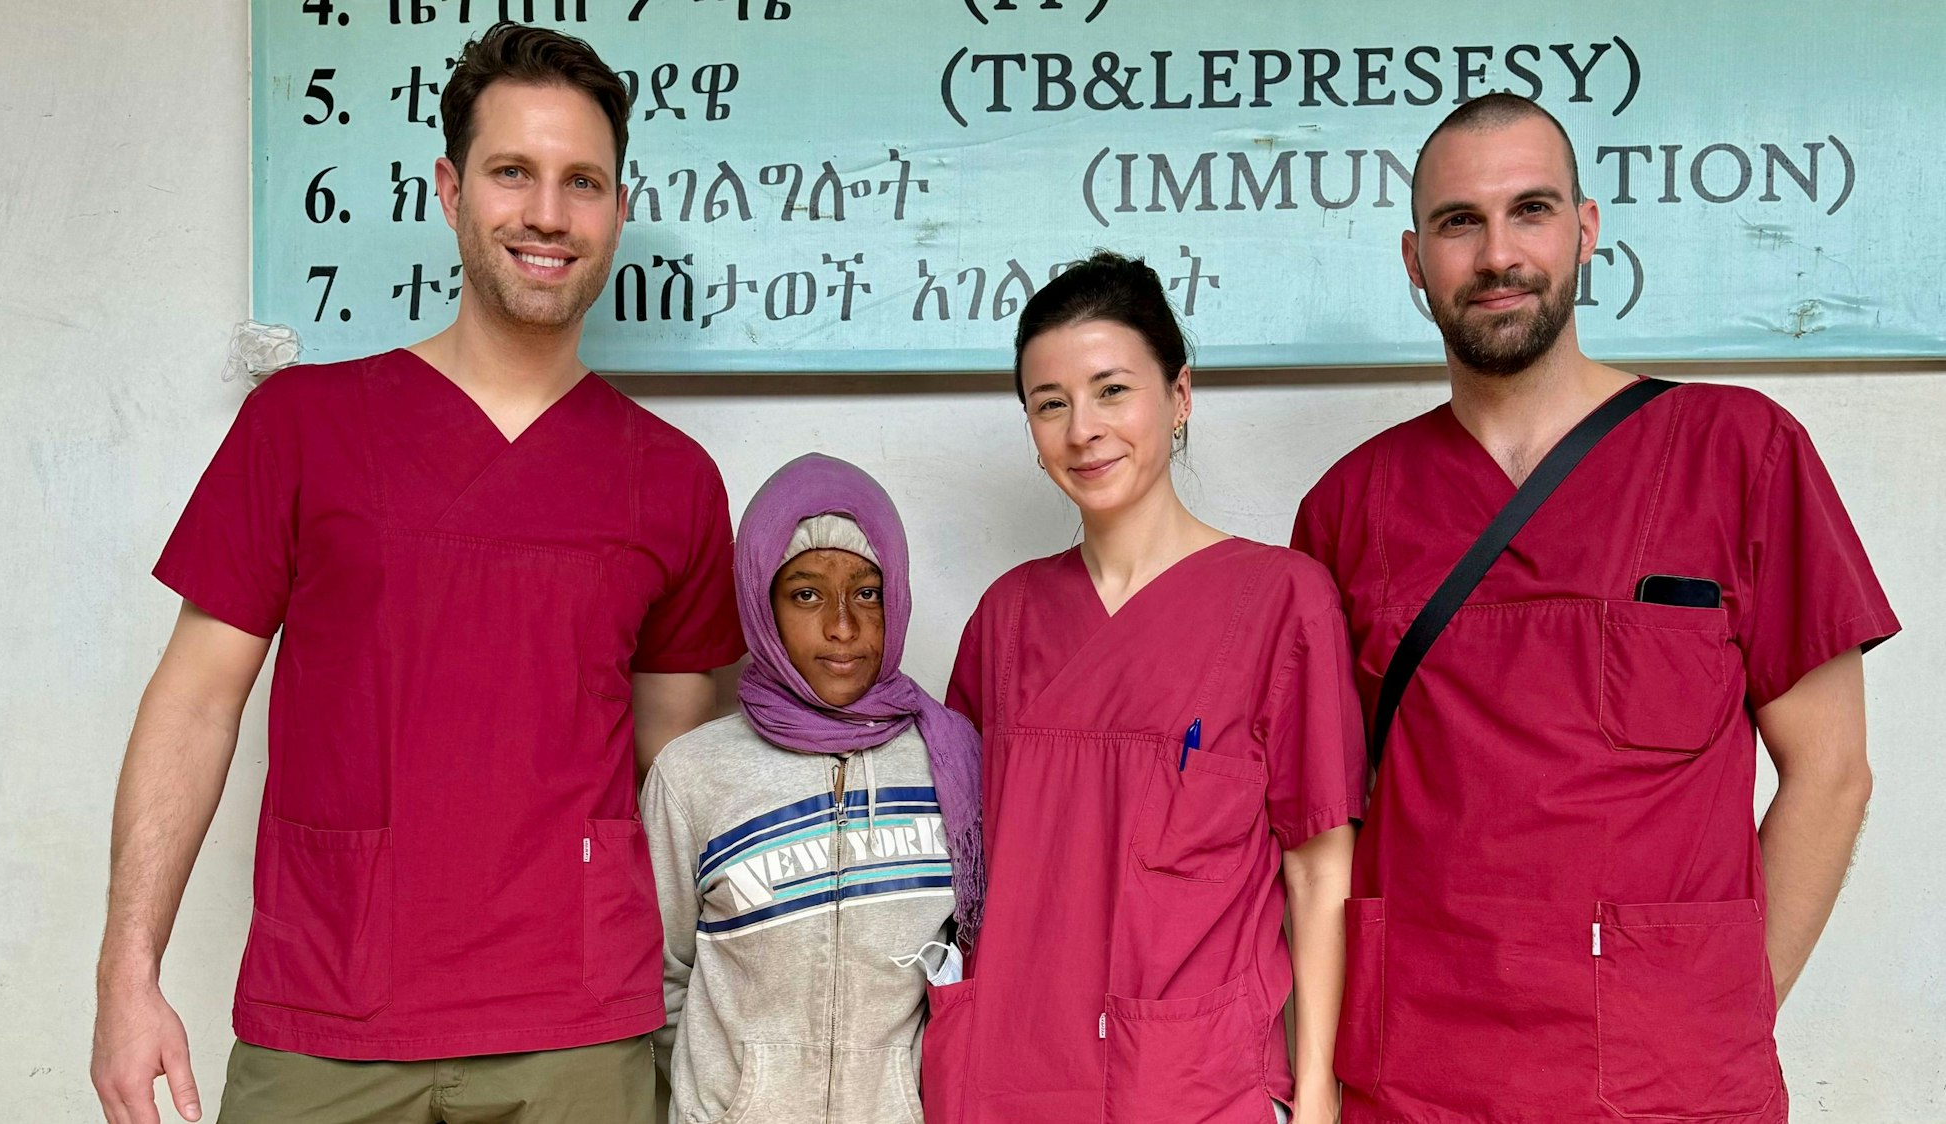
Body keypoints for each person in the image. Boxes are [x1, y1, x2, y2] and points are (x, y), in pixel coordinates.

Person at [89, 23, 744, 1124]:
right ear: (449, 190)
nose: (546, 212)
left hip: (577, 1032)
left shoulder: (672, 481)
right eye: (511, 173)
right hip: (329, 1015)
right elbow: (197, 701)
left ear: (619, 208)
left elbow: (675, 770)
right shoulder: (302, 427)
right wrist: (126, 968)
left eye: (581, 181)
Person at [1293, 93, 1899, 1123]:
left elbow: (1832, 771)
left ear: (1585, 229)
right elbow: (1320, 829)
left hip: (1670, 1083)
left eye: (1529, 210)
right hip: (1414, 1078)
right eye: (1458, 222)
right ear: (1412, 258)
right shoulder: (1351, 506)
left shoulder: (1737, 450)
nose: (1496, 254)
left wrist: (1721, 1011)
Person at [933, 252, 1364, 1124]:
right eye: (1049, 404)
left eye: (1111, 390)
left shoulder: (1282, 602)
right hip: (1010, 1068)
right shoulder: (1006, 619)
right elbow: (966, 867)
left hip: (1194, 1079)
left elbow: (1318, 872)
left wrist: (1316, 1091)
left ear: (1179, 396)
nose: (1082, 429)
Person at [642, 452, 983, 1123]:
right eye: (805, 594)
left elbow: (979, 966)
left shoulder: (950, 763)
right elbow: (661, 975)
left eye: (867, 592)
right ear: (760, 608)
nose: (842, 626)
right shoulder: (692, 774)